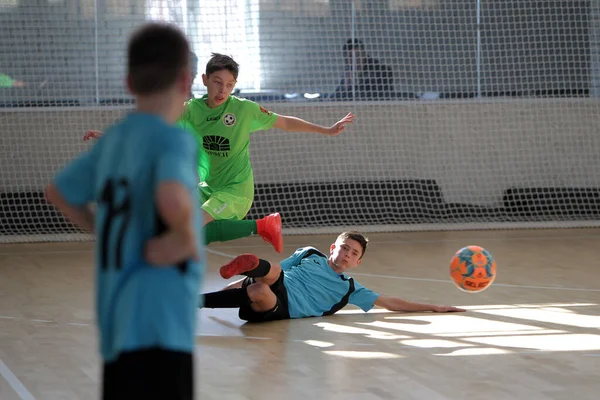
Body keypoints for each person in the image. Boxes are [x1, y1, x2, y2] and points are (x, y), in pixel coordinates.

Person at [45, 22, 203, 399]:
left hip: (116, 317)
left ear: (129, 83)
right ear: (185, 82)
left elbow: (58, 192)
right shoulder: (173, 139)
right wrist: (183, 239)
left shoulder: (112, 141)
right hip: (161, 319)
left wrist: (102, 227)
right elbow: (171, 196)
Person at [84, 53, 355, 252]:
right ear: (204, 80)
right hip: (205, 187)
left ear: (234, 86)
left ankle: (261, 227)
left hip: (236, 190)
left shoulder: (244, 110)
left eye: (228, 84)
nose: (222, 89)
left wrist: (327, 130)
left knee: (191, 226)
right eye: (216, 82)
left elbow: (284, 121)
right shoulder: (191, 110)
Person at [201, 231, 465, 322]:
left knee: (259, 292)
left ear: (358, 262)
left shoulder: (349, 288)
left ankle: (200, 299)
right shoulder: (309, 254)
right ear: (333, 248)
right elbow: (276, 270)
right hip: (278, 281)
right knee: (267, 276)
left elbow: (392, 303)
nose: (347, 254)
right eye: (344, 248)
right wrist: (232, 286)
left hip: (283, 307)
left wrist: (434, 307)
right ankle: (247, 267)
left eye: (353, 253)